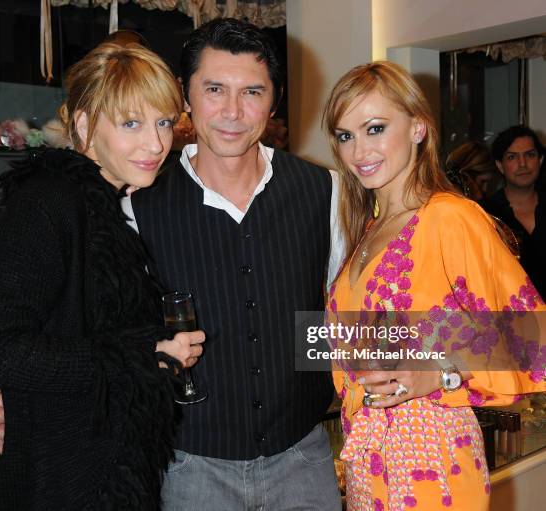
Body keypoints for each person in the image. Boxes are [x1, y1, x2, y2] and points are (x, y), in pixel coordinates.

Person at [0, 40, 205, 510]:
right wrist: (140, 355)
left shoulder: (105, 208)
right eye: (131, 123)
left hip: (105, 471)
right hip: (61, 482)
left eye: (162, 122)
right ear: (83, 124)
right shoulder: (47, 204)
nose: (156, 143)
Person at [128, 18, 345, 510]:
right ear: (186, 95)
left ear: (274, 99)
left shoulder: (324, 191)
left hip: (304, 457)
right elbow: (110, 330)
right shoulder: (138, 204)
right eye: (214, 89)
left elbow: (341, 312)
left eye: (251, 91)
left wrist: (434, 360)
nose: (232, 111)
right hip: (189, 466)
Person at [323, 61, 545, 511]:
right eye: (345, 135)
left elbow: (534, 340)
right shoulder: (368, 226)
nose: (358, 150)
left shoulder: (449, 217)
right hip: (370, 462)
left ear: (419, 127)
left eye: (375, 128)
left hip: (433, 464)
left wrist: (438, 373)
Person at [480, 125, 545, 298]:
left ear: (540, 160)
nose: (522, 164)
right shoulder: (484, 214)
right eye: (512, 157)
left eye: (530, 155)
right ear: (500, 165)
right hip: (509, 318)